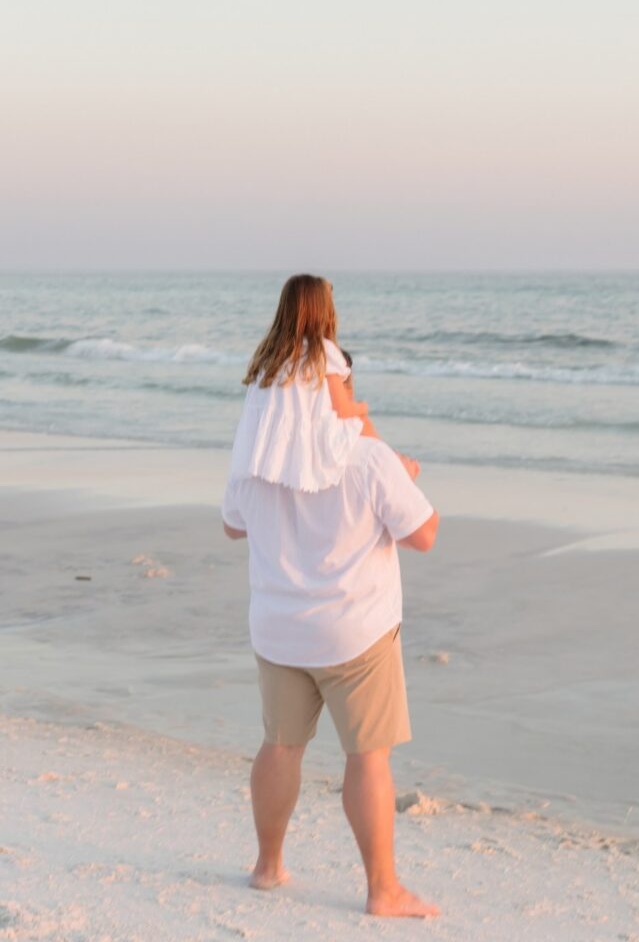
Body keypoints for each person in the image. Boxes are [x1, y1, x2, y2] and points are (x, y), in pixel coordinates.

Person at [221, 278, 440, 918]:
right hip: (355, 634)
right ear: (335, 388)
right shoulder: (366, 459)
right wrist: (381, 445)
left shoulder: (256, 458)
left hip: (279, 629)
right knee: (367, 757)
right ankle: (382, 890)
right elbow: (424, 534)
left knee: (280, 746)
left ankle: (267, 867)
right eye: (346, 386)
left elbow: (234, 524)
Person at [230, 273, 414, 492]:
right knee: (361, 419)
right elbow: (343, 410)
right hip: (309, 440)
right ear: (323, 311)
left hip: (266, 443)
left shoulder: (269, 355)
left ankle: (395, 465)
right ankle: (396, 470)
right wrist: (363, 406)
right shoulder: (323, 352)